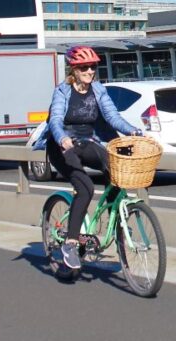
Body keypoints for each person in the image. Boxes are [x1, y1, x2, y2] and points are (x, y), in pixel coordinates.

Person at [33, 45, 142, 270]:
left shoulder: (98, 90)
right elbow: (54, 119)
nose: (90, 71)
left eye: (93, 67)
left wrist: (132, 130)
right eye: (85, 68)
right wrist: (63, 139)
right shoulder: (62, 91)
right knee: (85, 188)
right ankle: (71, 244)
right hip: (62, 147)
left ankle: (116, 220)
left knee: (116, 170)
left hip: (87, 142)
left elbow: (112, 116)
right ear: (74, 69)